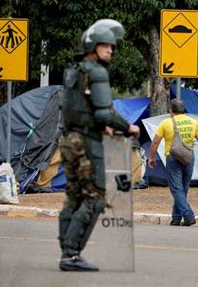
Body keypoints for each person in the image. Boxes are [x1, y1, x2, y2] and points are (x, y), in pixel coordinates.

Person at [58, 19, 140, 271]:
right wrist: (128, 127)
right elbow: (104, 113)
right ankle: (72, 255)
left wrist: (100, 123)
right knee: (94, 198)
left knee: (73, 197)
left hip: (69, 140)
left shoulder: (74, 70)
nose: (111, 51)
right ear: (93, 46)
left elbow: (80, 109)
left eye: (112, 47)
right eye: (106, 46)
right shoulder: (98, 72)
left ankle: (66, 251)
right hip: (86, 144)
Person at [148, 99, 198, 226]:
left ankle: (189, 216)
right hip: (189, 157)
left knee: (176, 189)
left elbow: (155, 142)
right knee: (183, 188)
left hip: (173, 157)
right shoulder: (193, 122)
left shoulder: (166, 123)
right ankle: (176, 218)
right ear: (183, 110)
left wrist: (151, 158)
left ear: (171, 110)